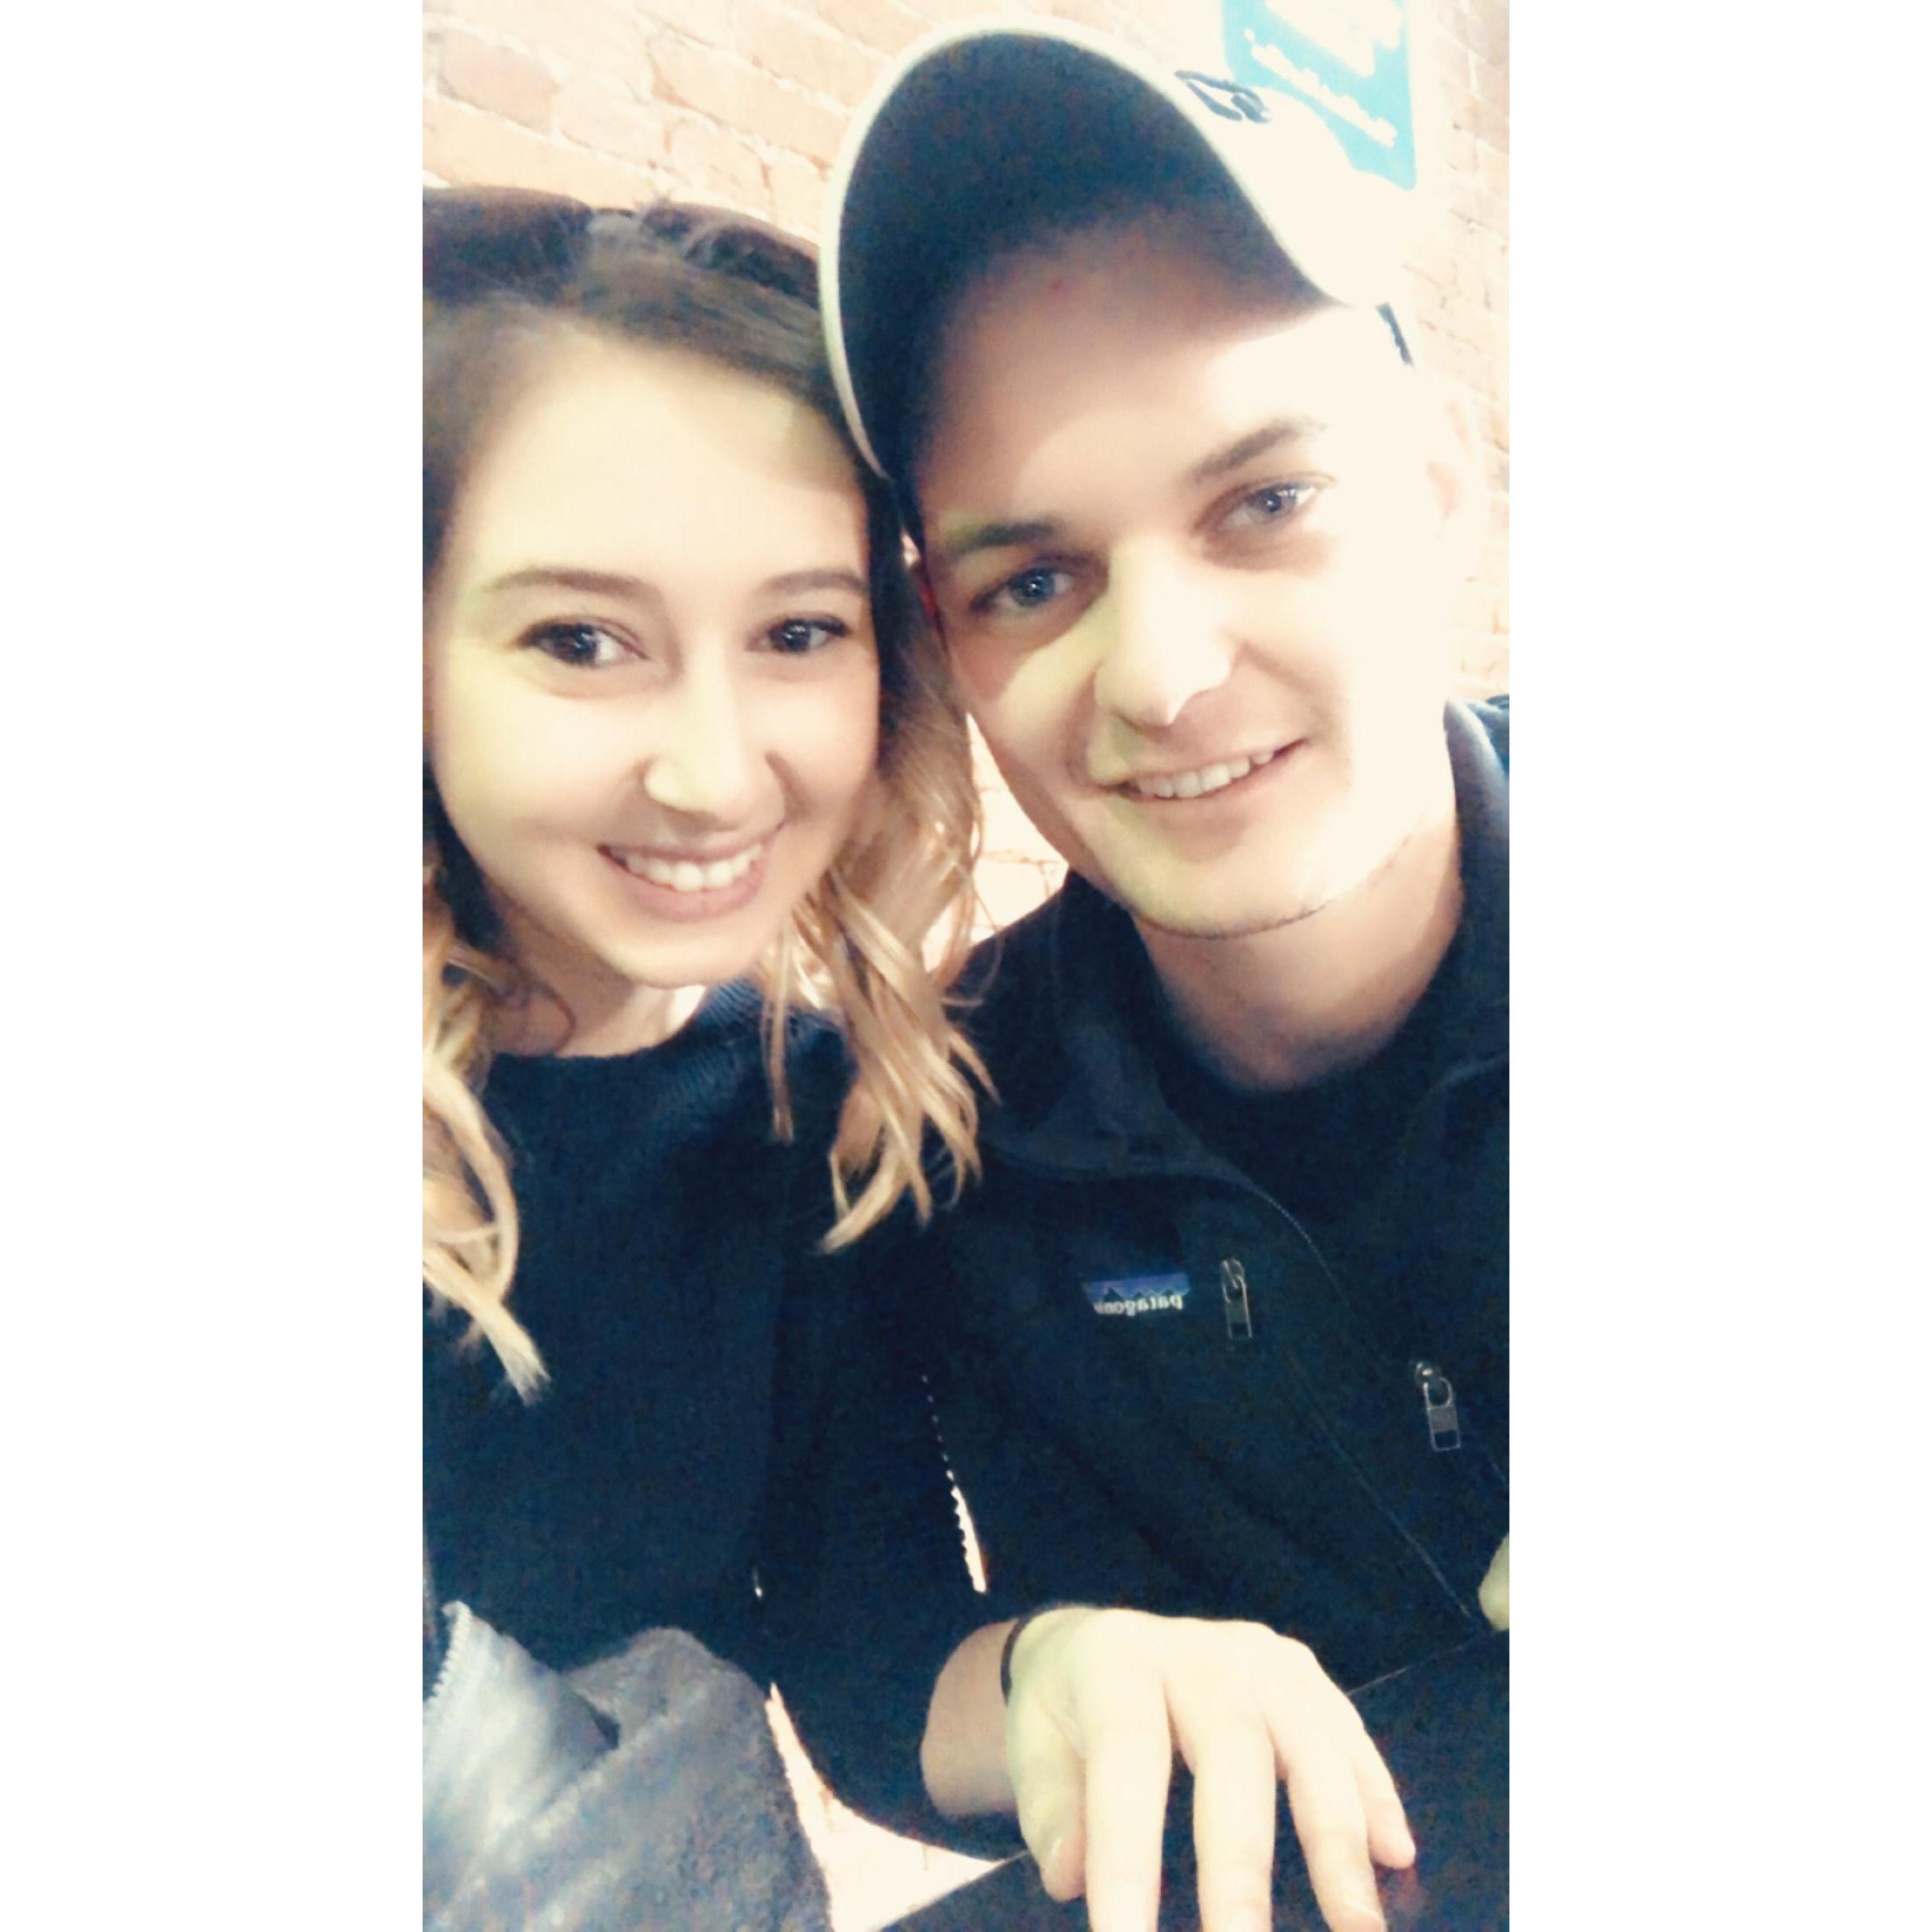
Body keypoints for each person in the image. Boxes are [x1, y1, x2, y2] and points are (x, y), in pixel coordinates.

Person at [819, 20, 1509, 1932]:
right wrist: (1052, 1669)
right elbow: (877, 1674)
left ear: (1437, 489)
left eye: (1266, 504)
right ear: (946, 640)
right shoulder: (933, 1126)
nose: (1164, 673)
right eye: (1033, 583)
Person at [419, 188, 991, 1918]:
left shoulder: (814, 1115)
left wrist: (1099, 1686)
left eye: (800, 633)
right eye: (580, 641)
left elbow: (876, 1671)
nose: (713, 774)